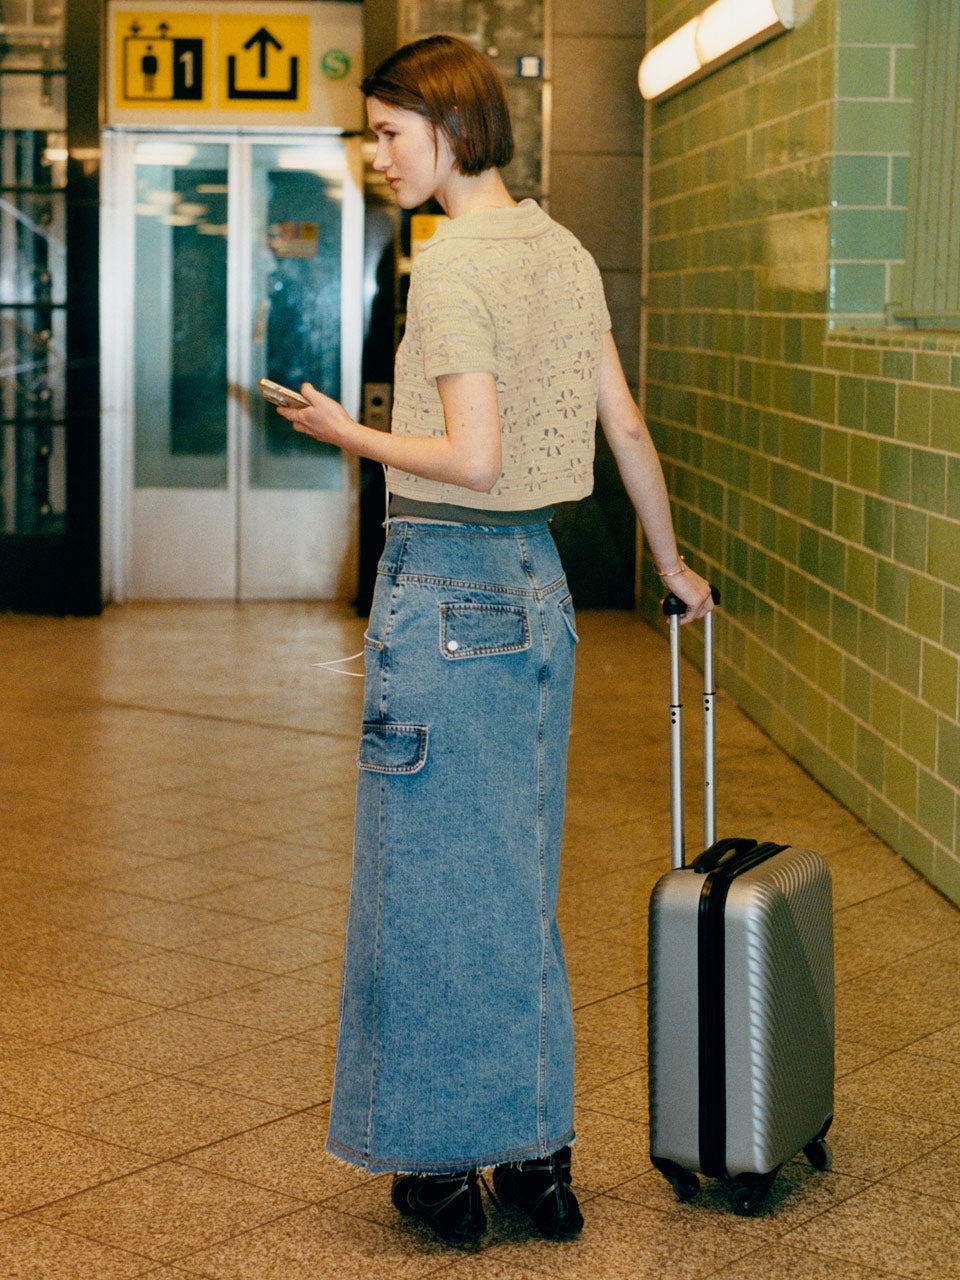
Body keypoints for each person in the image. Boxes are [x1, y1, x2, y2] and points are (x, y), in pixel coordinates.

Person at [275, 34, 714, 1248]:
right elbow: (624, 425)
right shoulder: (565, 253)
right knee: (515, 881)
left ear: (452, 132)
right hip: (539, 589)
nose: (376, 156)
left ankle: (436, 1168)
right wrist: (670, 564)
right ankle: (535, 1162)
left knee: (423, 884)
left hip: (450, 585)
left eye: (388, 135)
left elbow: (467, 456)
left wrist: (341, 431)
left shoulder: (455, 265)